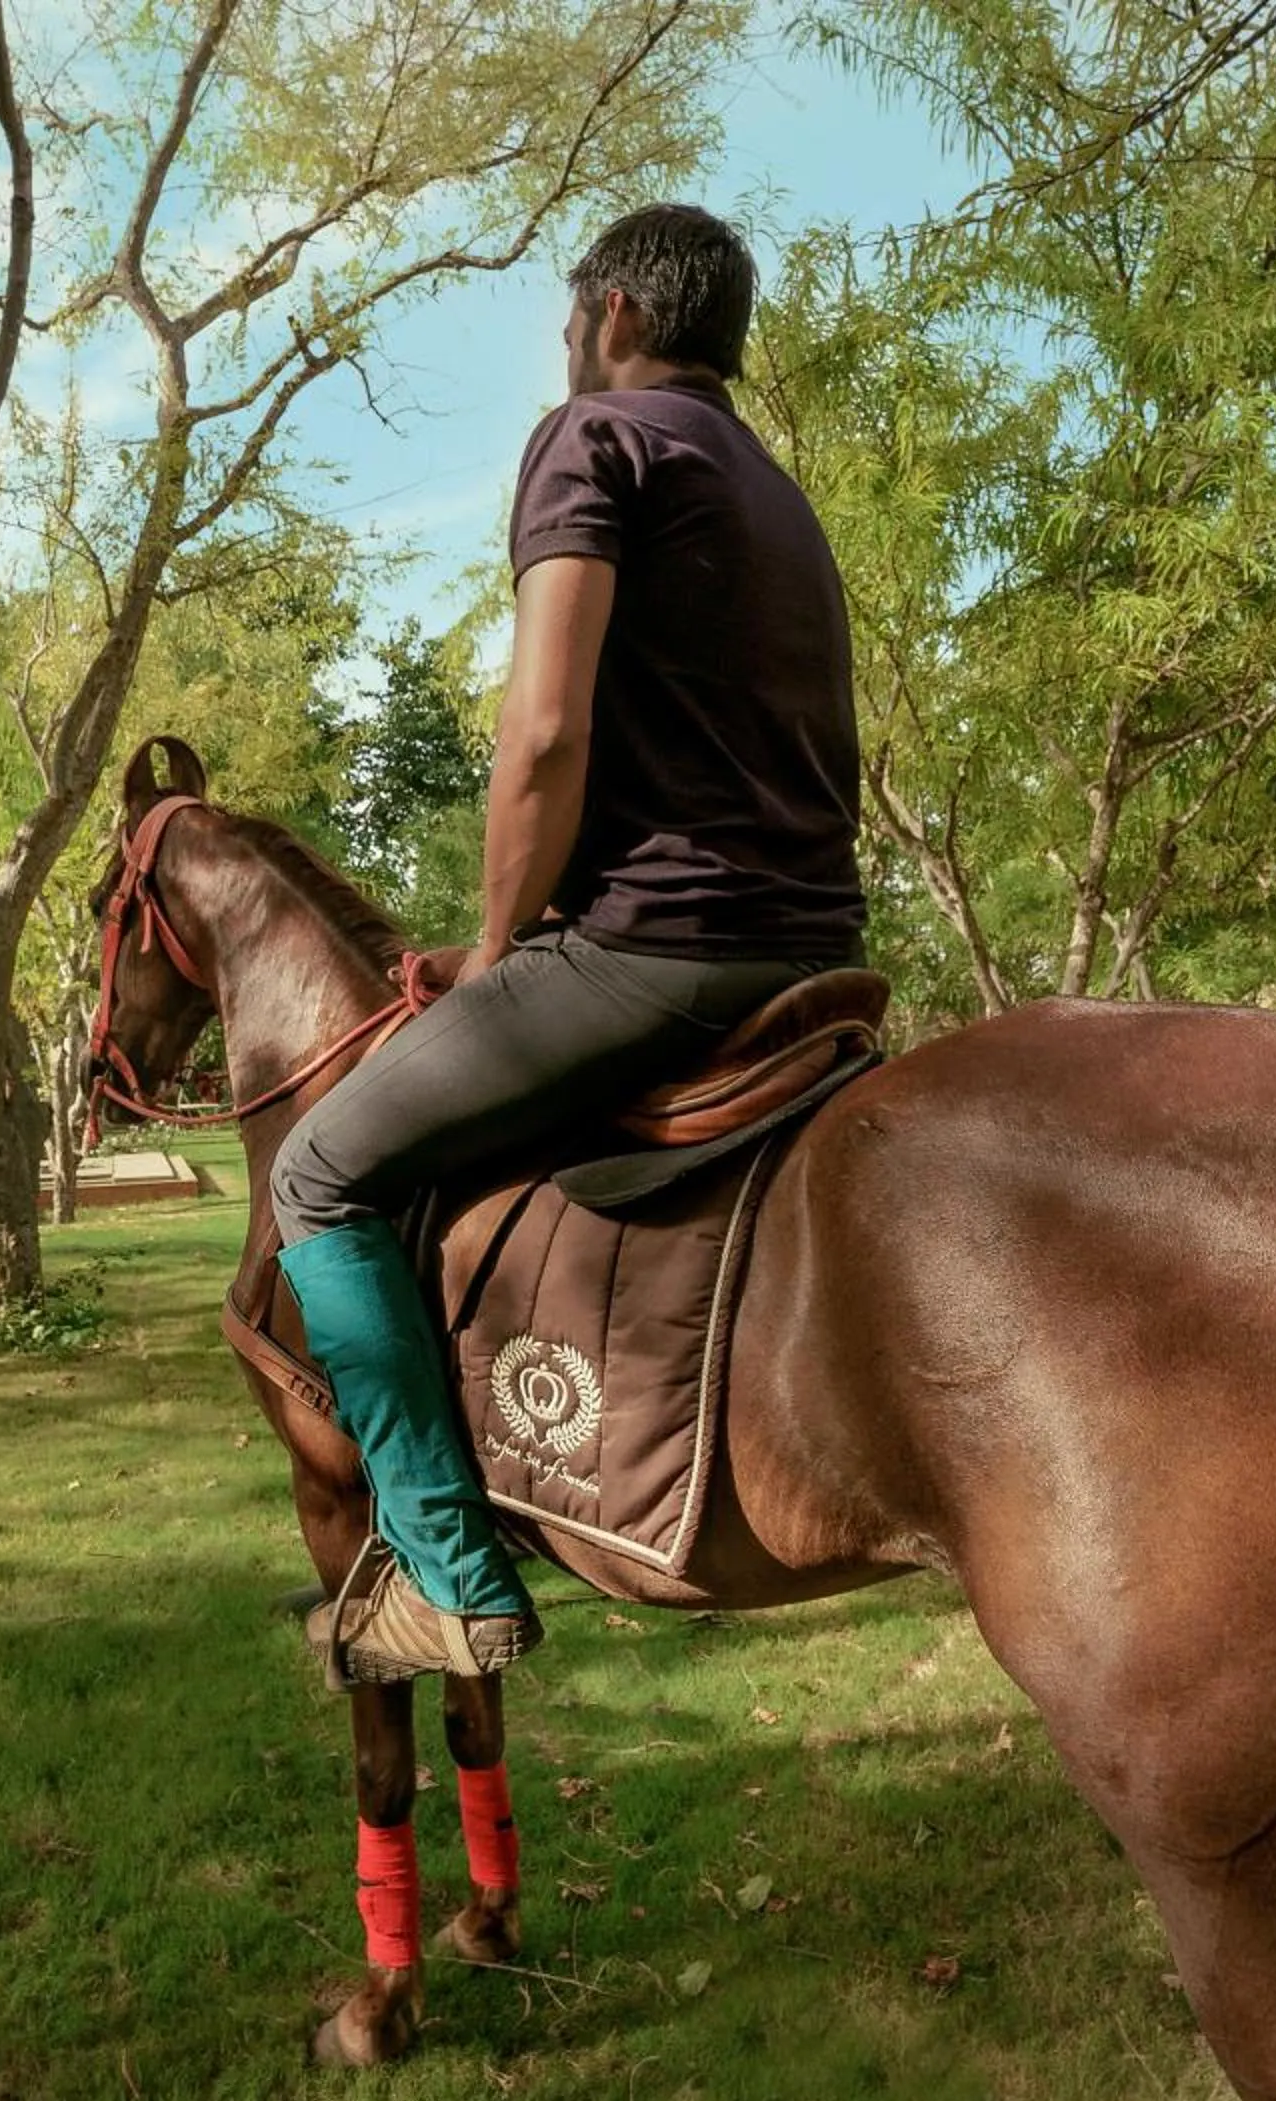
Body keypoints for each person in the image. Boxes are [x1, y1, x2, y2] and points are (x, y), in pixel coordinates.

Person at [271, 203, 869, 1686]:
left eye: (564, 323)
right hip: (814, 955)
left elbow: (544, 733)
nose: (563, 348)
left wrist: (493, 943)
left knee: (318, 1172)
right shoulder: (775, 489)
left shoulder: (595, 443)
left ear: (610, 314)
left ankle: (448, 1576)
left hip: (656, 951)